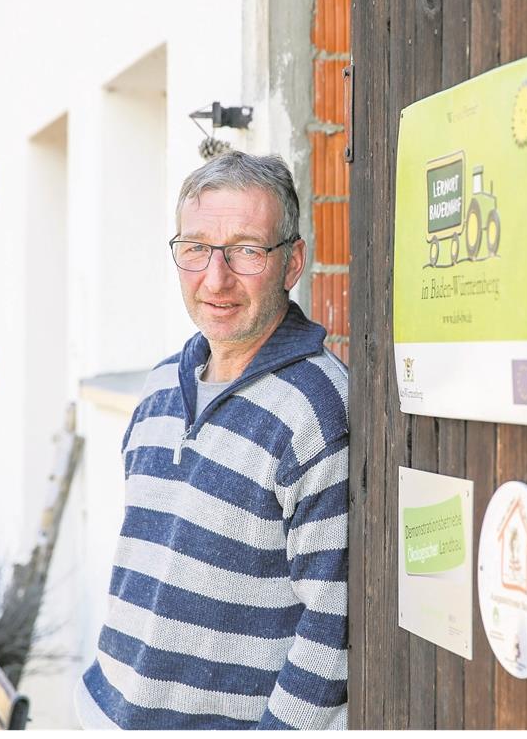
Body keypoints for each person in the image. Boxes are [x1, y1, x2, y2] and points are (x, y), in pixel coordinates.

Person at [75, 151, 348, 730]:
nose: (215, 278)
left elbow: (333, 623)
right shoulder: (159, 388)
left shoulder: (316, 409)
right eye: (196, 249)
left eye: (247, 250)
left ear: (292, 262)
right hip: (106, 711)